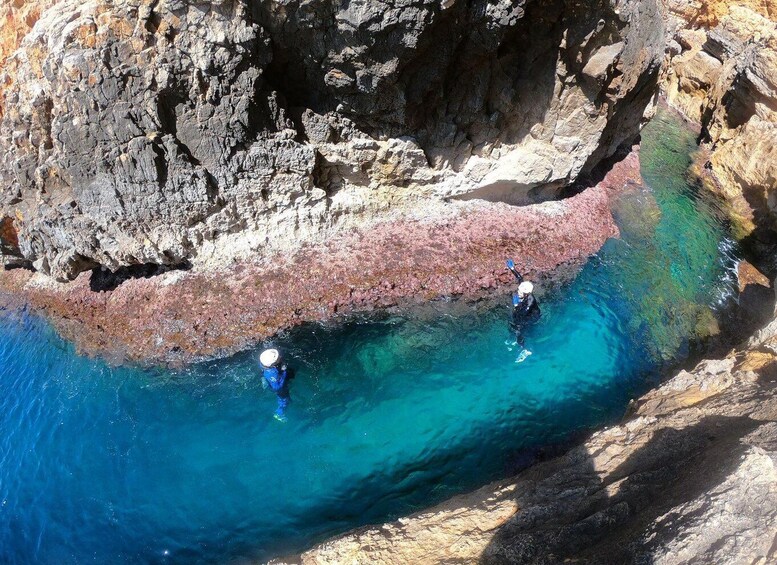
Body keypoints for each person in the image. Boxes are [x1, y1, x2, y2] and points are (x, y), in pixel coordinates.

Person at [506, 259, 541, 362]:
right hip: (527, 312)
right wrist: (512, 269)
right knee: (515, 320)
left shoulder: (529, 301)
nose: (518, 291)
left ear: (525, 293)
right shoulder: (525, 293)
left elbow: (521, 313)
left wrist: (516, 305)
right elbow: (519, 278)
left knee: (518, 328)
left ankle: (524, 349)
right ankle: (515, 339)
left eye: (520, 291)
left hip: (532, 316)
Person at [259, 348, 291, 422]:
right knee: (285, 400)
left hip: (267, 377)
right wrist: (284, 372)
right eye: (277, 358)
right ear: (272, 364)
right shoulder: (272, 373)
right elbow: (277, 387)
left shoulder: (263, 363)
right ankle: (279, 414)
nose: (279, 357)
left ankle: (263, 379)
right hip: (277, 388)